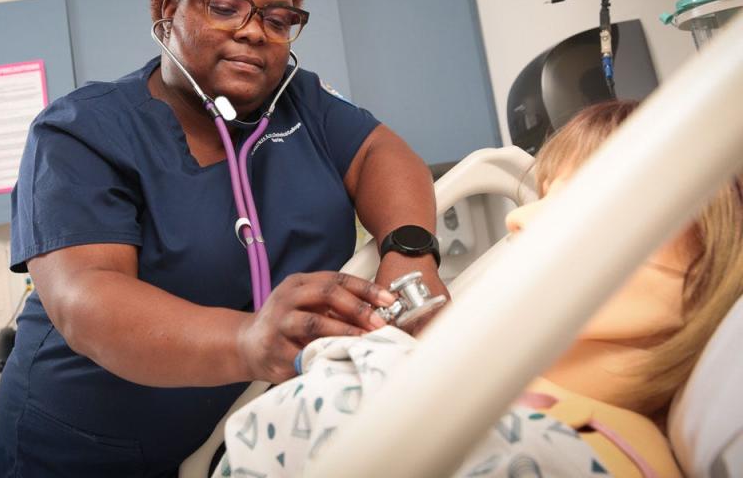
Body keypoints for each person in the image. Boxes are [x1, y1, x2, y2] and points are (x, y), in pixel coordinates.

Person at [0, 0, 446, 477]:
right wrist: (249, 338)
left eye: (278, 19)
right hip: (81, 447)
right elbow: (86, 299)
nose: (255, 30)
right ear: (168, 11)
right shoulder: (82, 130)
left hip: (238, 442)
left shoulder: (302, 103)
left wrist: (410, 254)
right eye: (225, 7)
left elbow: (385, 153)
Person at [222, 99, 743, 477]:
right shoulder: (490, 381)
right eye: (543, 195)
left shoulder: (599, 448)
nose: (520, 221)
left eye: (590, 197)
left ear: (711, 264)